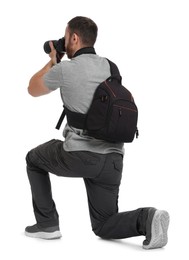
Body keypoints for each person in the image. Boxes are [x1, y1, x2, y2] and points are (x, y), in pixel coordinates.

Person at [25, 16, 169, 249]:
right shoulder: (111, 67)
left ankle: (47, 224)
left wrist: (52, 61)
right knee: (103, 224)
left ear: (74, 37)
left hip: (80, 156)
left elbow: (32, 89)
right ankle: (148, 218)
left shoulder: (65, 68)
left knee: (33, 159)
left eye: (66, 36)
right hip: (113, 158)